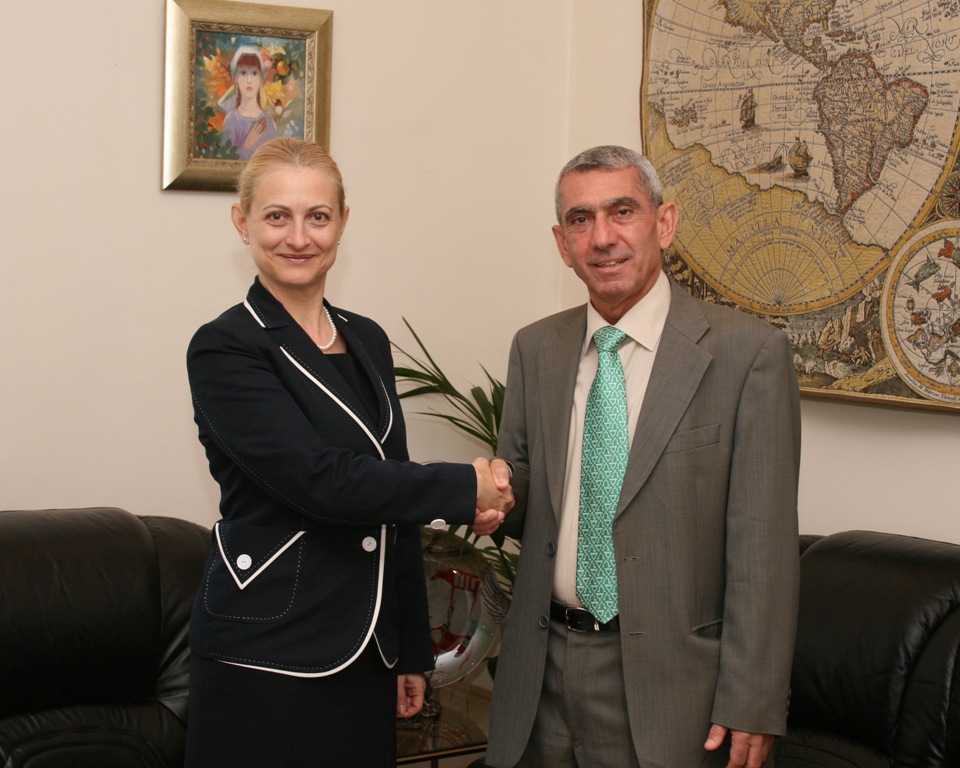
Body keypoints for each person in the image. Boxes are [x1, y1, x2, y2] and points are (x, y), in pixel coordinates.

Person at [184, 137, 513, 767]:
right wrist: (465, 490)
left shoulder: (366, 338)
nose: (298, 236)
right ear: (242, 221)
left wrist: (411, 646)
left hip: (368, 649)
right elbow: (320, 480)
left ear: (343, 222)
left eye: (318, 216)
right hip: (269, 646)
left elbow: (390, 499)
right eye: (277, 216)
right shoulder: (224, 347)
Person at [479, 145, 801, 768]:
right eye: (580, 220)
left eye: (621, 211)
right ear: (561, 241)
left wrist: (754, 699)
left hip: (672, 687)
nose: (602, 238)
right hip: (539, 675)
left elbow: (763, 548)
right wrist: (490, 497)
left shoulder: (747, 355)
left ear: (665, 222)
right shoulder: (536, 348)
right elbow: (523, 495)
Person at [220, 45, 277, 160]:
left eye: (255, 73)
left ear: (261, 78)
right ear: (236, 78)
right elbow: (223, 162)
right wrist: (246, 146)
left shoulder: (268, 122)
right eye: (244, 73)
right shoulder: (230, 120)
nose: (249, 80)